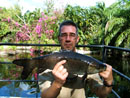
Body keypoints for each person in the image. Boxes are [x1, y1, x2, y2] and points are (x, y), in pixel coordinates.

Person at [39, 20, 113, 98]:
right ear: (59, 38)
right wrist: (57, 83)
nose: (68, 39)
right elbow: (45, 96)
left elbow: (102, 93)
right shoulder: (49, 60)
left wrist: (109, 82)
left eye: (72, 35)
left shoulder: (88, 62)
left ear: (77, 39)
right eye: (64, 35)